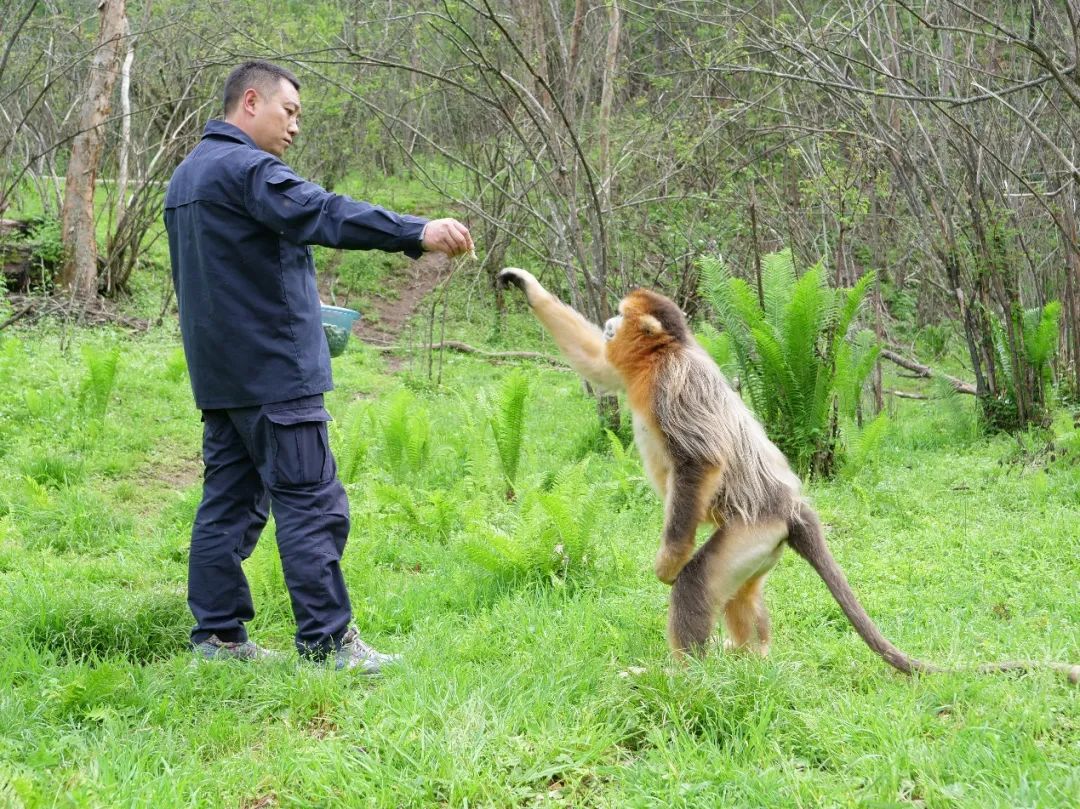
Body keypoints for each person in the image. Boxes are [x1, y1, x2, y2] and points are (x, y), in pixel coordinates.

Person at [164, 60, 472, 672]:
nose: (295, 127)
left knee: (227, 506)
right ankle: (329, 645)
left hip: (224, 380)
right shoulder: (248, 168)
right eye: (290, 111)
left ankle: (216, 642)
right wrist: (417, 230)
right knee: (311, 503)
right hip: (277, 377)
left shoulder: (186, 177)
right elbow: (322, 212)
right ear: (250, 102)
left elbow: (233, 276)